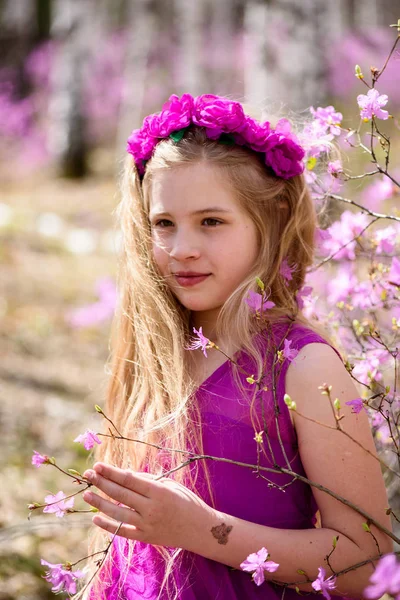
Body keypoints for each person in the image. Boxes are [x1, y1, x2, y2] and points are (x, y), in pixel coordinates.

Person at [80, 94, 393, 599]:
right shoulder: (156, 350)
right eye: (164, 224)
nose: (182, 248)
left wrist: (199, 530)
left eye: (211, 221)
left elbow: (366, 564)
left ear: (268, 224)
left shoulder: (304, 367)